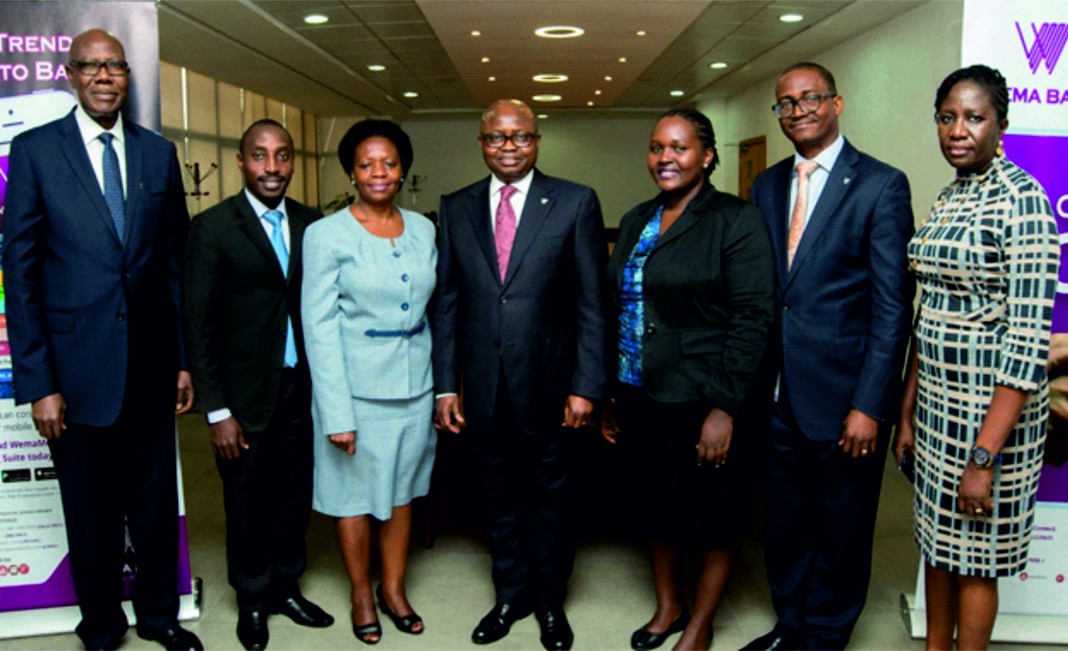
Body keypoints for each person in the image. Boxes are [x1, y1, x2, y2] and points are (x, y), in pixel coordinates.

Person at [2, 29, 201, 651]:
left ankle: (160, 617)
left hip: (150, 365)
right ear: (70, 75)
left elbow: (173, 264)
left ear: (126, 75)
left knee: (153, 505)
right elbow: (20, 273)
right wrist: (40, 383)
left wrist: (182, 361)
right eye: (90, 66)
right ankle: (102, 625)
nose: (104, 77)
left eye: (114, 66)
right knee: (91, 513)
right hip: (75, 371)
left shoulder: (156, 153)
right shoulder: (36, 151)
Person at [743, 62, 915, 651]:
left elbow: (892, 308)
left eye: (810, 98)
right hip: (777, 395)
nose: (798, 111)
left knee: (842, 526)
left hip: (845, 398)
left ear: (836, 104)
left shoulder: (880, 185)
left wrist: (871, 405)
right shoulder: (767, 186)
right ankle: (790, 625)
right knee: (784, 523)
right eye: (786, 103)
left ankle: (825, 635)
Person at [431, 99, 609, 651]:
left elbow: (592, 302)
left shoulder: (575, 201)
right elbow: (448, 302)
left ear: (537, 140)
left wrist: (586, 386)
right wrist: (446, 385)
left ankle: (551, 601)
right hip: (484, 387)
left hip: (553, 387)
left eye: (520, 137)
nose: (508, 147)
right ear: (481, 143)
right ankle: (510, 596)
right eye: (497, 138)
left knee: (552, 501)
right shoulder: (455, 207)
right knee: (497, 500)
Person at [893, 64, 1059, 651]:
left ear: (1000, 125)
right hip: (938, 411)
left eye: (973, 117)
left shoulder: (1025, 201)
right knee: (938, 548)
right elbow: (929, 314)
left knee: (976, 561)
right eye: (947, 117)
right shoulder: (950, 196)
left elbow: (1026, 346)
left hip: (993, 420)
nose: (957, 130)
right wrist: (908, 414)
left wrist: (983, 458)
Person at [601, 108, 773, 651]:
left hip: (702, 396)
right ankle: (668, 605)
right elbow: (620, 308)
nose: (665, 158)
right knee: (655, 507)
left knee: (714, 514)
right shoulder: (637, 218)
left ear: (707, 155)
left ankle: (700, 623)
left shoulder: (735, 220)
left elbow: (753, 318)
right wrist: (611, 392)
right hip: (638, 391)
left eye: (679, 147)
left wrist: (724, 407)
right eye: (657, 148)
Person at [183, 119, 333, 651]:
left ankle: (286, 588)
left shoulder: (312, 223)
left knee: (293, 497)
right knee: (247, 504)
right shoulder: (213, 227)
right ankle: (251, 598)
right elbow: (197, 324)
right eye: (260, 155)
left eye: (282, 155)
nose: (273, 167)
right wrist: (216, 410)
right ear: (242, 161)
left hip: (301, 389)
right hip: (242, 397)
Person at [301, 119, 436, 646]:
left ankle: (393, 589)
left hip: (415, 387)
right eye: (366, 164)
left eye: (389, 163)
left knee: (402, 492)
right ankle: (361, 591)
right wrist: (336, 412)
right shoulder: (326, 234)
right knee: (353, 496)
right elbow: (318, 328)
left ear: (403, 170)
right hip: (354, 392)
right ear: (352, 173)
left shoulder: (424, 229)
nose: (378, 172)